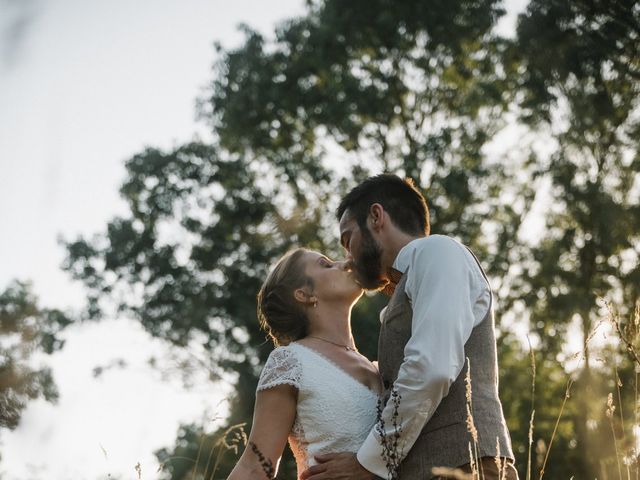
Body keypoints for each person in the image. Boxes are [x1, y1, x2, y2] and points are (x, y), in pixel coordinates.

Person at [301, 174, 518, 480]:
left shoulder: (438, 252)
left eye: (348, 239)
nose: (348, 258)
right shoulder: (407, 286)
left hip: (469, 466)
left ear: (376, 217)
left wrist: (369, 463)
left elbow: (431, 367)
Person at [227, 248, 382, 480]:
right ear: (305, 294)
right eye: (326, 264)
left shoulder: (379, 367)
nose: (345, 263)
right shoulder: (291, 362)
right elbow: (254, 468)